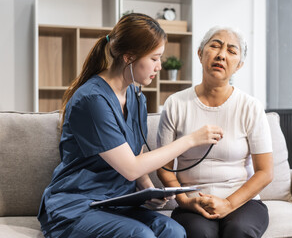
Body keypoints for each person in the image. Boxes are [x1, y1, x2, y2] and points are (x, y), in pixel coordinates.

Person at [37, 13, 224, 238]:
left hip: (117, 203)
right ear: (129, 57)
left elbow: (137, 157)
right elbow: (131, 167)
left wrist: (147, 189)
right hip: (77, 206)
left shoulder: (136, 97)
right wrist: (190, 140)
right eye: (154, 58)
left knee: (173, 231)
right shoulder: (92, 100)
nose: (159, 66)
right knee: (140, 235)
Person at [157, 26, 273, 238]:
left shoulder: (251, 107)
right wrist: (185, 202)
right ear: (200, 54)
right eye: (215, 46)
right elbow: (163, 168)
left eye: (231, 51)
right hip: (192, 202)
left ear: (239, 65)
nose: (221, 54)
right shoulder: (175, 104)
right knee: (200, 233)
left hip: (242, 202)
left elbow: (265, 172)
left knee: (240, 231)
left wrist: (229, 203)